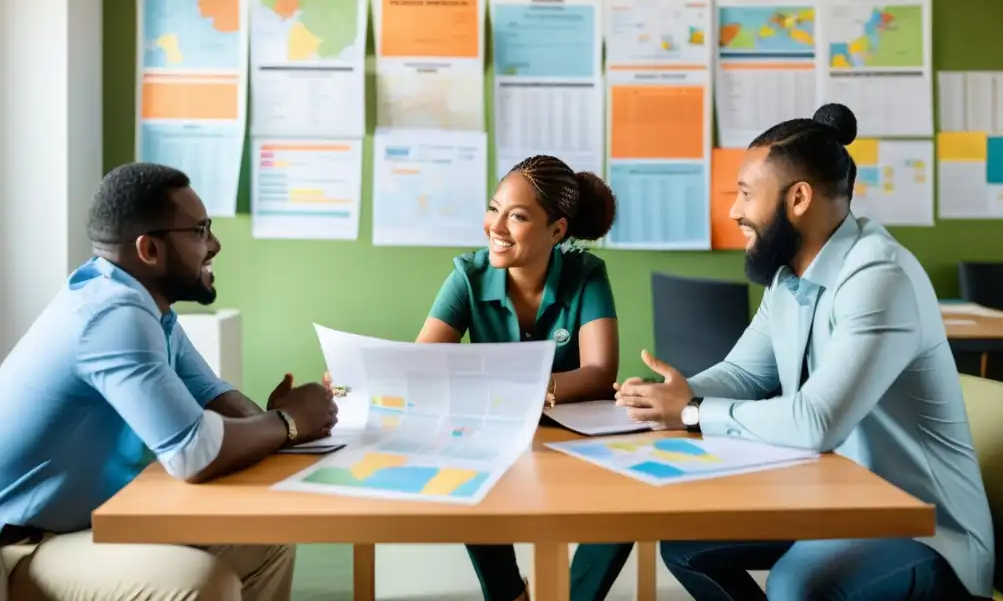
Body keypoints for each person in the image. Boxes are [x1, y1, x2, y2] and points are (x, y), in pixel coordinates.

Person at [615, 103, 995, 601]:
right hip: (836, 498)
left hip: (925, 527)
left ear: (798, 198)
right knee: (687, 546)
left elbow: (818, 423)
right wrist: (668, 397)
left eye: (746, 194)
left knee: (797, 583)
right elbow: (743, 373)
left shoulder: (879, 277)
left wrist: (691, 412)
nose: (734, 211)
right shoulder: (789, 277)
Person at [0, 162, 339, 601]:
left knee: (267, 537)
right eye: (200, 231)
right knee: (202, 583)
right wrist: (288, 422)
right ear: (149, 250)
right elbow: (193, 453)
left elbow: (216, 398)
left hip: (96, 519)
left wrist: (277, 422)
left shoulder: (146, 308)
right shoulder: (112, 316)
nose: (215, 244)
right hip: (24, 543)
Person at [417, 155, 632, 601]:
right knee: (467, 480)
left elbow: (599, 372)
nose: (496, 226)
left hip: (576, 441)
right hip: (496, 438)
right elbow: (424, 363)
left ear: (557, 230)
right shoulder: (468, 275)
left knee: (625, 506)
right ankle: (508, 594)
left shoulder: (587, 274)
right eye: (493, 209)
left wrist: (521, 389)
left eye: (516, 216)